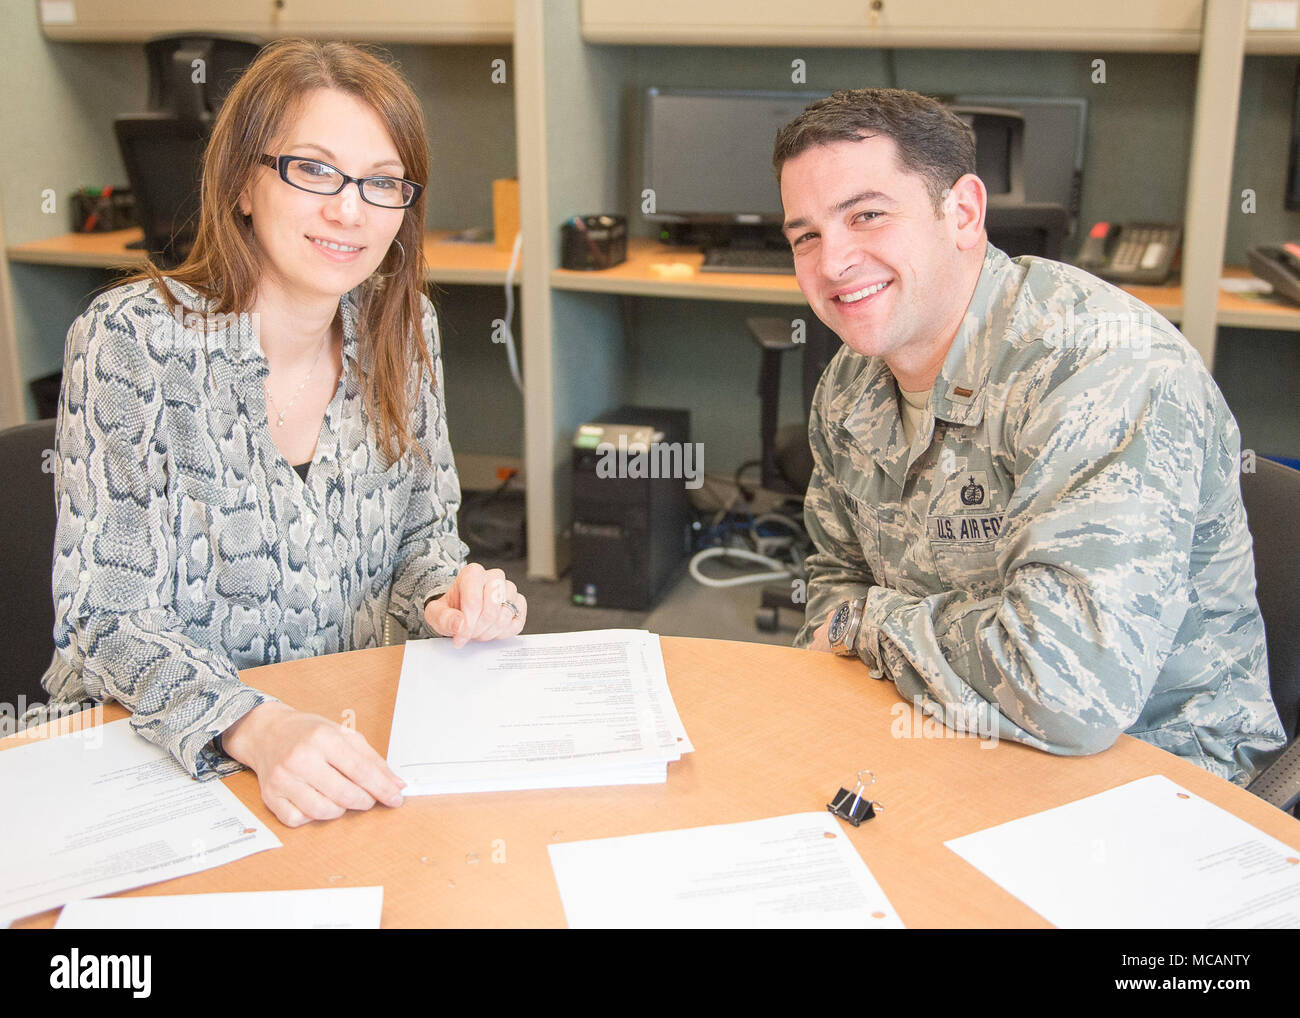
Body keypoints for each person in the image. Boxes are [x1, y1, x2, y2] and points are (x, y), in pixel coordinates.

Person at [41, 40, 527, 827]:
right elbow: (106, 618)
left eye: (382, 183)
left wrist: (451, 595)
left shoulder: (405, 329)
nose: (350, 210)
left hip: (343, 751)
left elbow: (422, 543)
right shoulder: (131, 342)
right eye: (313, 170)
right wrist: (256, 728)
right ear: (241, 182)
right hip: (156, 761)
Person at [776, 88, 1284, 785]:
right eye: (805, 235)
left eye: (866, 215)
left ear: (963, 213)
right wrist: (869, 630)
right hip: (946, 729)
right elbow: (832, 586)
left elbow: (1068, 693)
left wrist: (870, 625)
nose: (832, 263)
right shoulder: (851, 381)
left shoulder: (1103, 366)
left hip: (1158, 771)